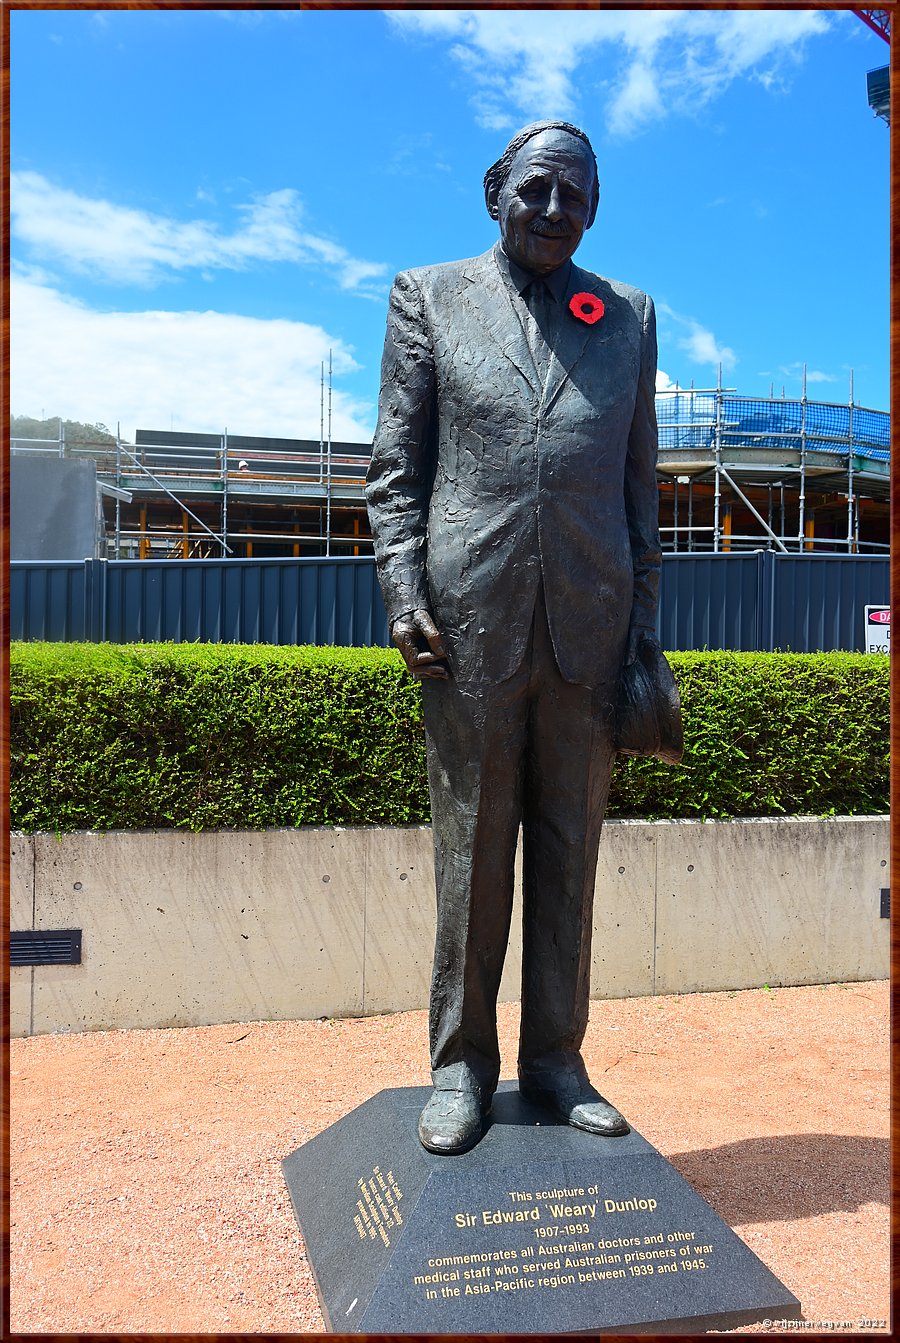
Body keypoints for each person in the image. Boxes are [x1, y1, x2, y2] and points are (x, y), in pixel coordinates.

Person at [366, 120, 663, 1155]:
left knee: (571, 858)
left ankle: (556, 1058)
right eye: (537, 189)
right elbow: (397, 472)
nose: (554, 211)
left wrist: (646, 633)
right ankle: (460, 1062)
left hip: (591, 624)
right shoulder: (427, 297)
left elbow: (639, 493)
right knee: (473, 854)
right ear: (497, 189)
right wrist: (405, 593)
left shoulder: (627, 316)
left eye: (576, 196)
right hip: (467, 626)